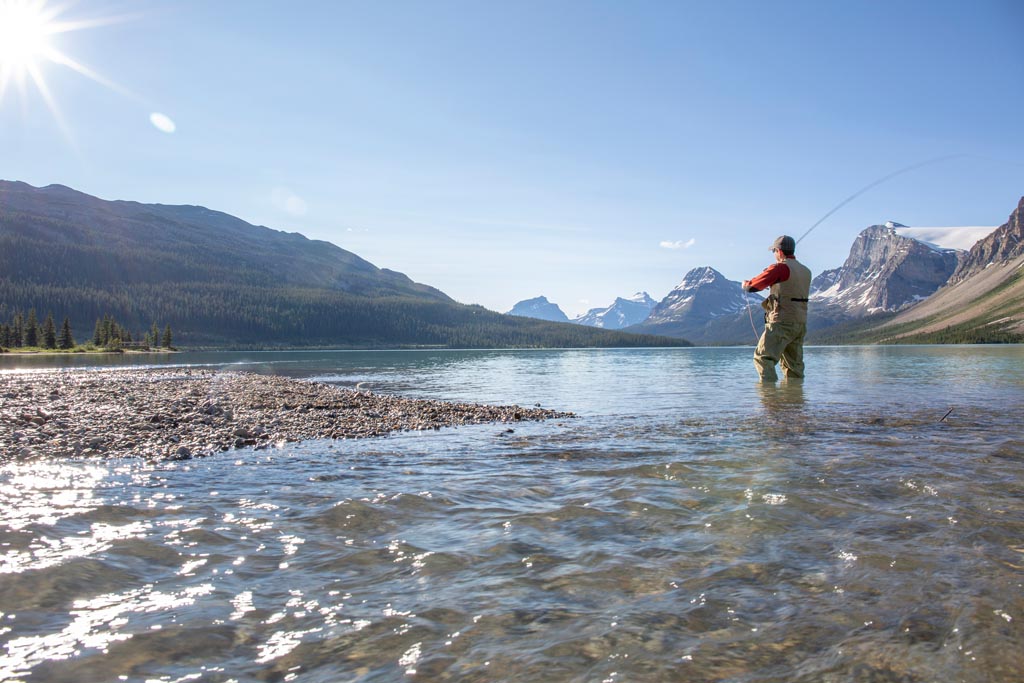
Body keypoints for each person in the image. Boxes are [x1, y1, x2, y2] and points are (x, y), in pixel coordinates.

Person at [741, 235, 812, 381]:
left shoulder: (780, 268)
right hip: (800, 323)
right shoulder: (806, 271)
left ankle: (770, 400)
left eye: (774, 251)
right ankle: (794, 400)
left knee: (762, 358)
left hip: (781, 322)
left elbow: (753, 286)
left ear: (779, 251)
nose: (774, 254)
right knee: (794, 366)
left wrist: (746, 284)